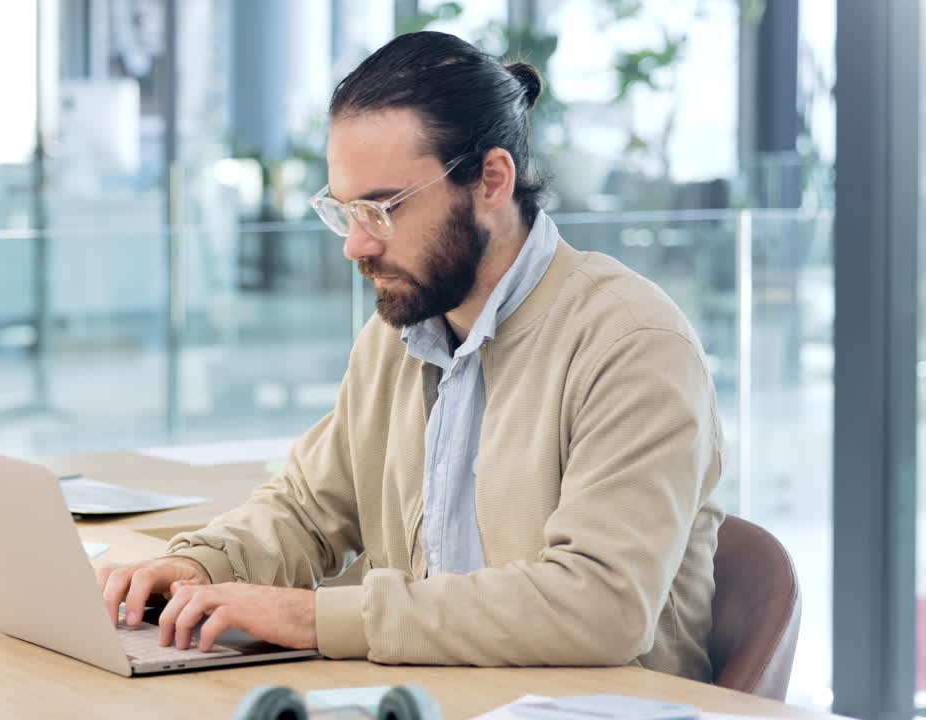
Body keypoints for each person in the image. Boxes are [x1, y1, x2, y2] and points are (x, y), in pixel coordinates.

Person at [97, 30, 724, 681]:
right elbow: (309, 508)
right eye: (345, 212)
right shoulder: (401, 329)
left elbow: (599, 607)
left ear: (491, 180)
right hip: (433, 692)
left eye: (381, 208)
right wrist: (202, 565)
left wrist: (319, 619)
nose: (356, 247)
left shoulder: (632, 342)